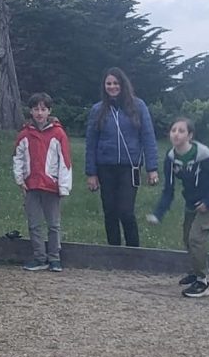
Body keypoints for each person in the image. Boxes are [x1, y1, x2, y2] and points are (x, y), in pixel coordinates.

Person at [146, 117, 209, 298]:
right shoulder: (171, 158)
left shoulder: (203, 155)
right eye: (173, 130)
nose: (176, 134)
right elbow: (169, 189)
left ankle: (203, 281)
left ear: (190, 136)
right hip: (191, 203)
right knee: (187, 239)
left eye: (181, 131)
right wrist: (158, 214)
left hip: (207, 203)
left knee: (196, 239)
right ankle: (196, 271)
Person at [84, 67, 160, 246]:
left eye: (116, 83)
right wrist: (91, 173)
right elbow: (91, 143)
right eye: (108, 83)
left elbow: (148, 137)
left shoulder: (138, 106)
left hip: (130, 167)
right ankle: (114, 252)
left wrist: (152, 169)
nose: (112, 87)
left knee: (126, 211)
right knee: (110, 212)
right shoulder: (97, 110)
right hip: (105, 167)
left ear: (123, 84)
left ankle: (133, 252)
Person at [13, 93, 72, 272]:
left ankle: (54, 257)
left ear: (49, 111)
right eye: (36, 109)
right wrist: (19, 179)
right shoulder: (24, 134)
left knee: (53, 224)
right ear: (30, 111)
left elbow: (65, 160)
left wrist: (64, 186)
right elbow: (18, 157)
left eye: (43, 109)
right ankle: (39, 257)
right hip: (31, 185)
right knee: (34, 224)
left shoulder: (58, 134)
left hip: (51, 186)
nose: (39, 113)